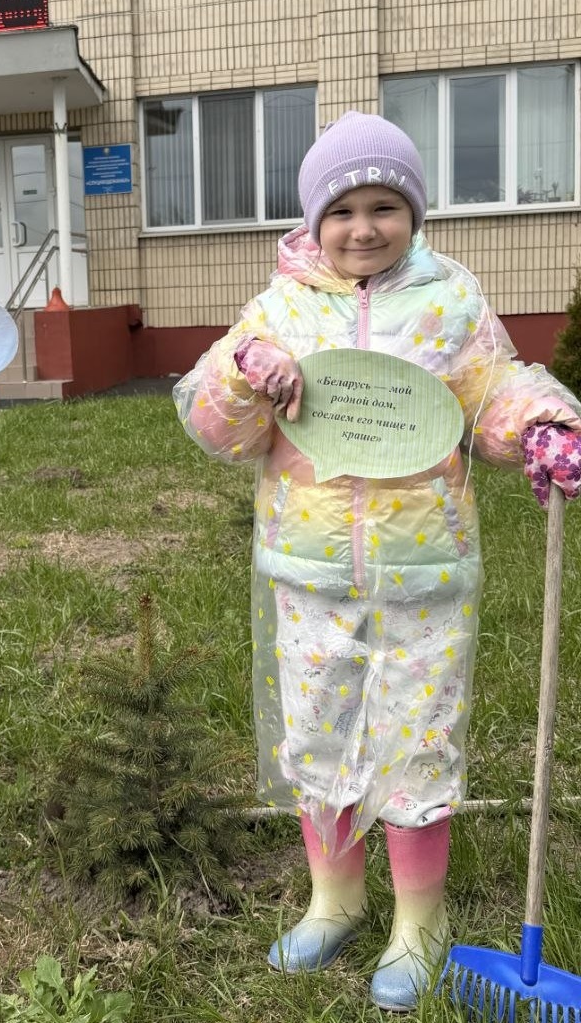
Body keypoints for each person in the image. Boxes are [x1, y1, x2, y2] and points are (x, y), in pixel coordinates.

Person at [173, 111, 581, 1011]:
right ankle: (335, 897)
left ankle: (420, 918)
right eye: (344, 208)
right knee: (319, 731)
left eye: (385, 205)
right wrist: (247, 370)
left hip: (424, 570)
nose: (364, 227)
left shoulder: (448, 299)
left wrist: (543, 421)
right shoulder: (279, 308)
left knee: (417, 738)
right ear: (315, 218)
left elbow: (494, 387)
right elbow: (213, 422)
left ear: (415, 212)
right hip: (309, 569)